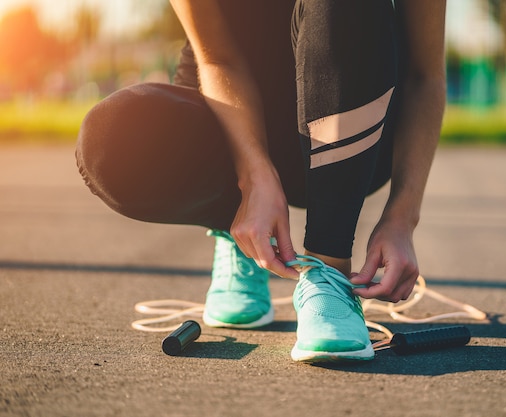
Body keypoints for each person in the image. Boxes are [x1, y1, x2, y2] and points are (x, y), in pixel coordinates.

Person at [76, 0, 447, 363]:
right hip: (237, 123)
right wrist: (252, 177)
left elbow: (424, 75)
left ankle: (328, 276)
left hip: (352, 133)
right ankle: (243, 234)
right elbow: (217, 58)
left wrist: (403, 216)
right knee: (110, 141)